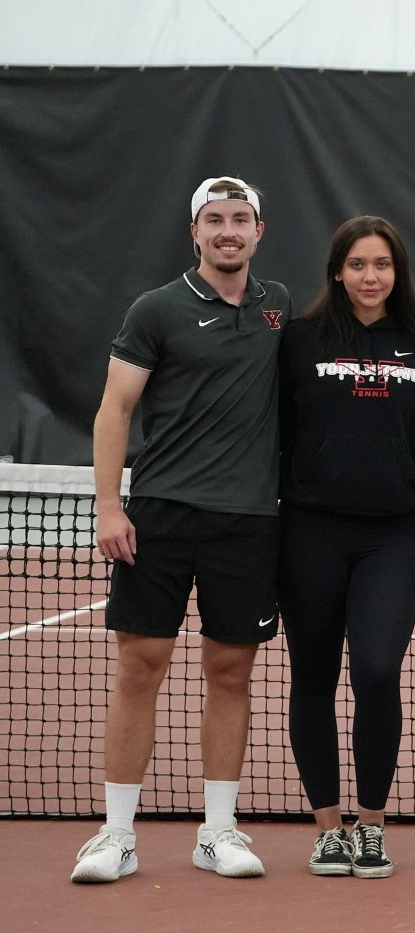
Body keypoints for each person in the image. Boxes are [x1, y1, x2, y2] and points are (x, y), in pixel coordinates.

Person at [73, 177, 290, 884]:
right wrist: (110, 504)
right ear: (194, 233)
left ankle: (218, 832)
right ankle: (116, 836)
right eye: (214, 220)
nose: (228, 231)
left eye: (240, 219)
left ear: (261, 230)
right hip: (160, 516)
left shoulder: (281, 310)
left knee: (231, 673)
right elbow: (115, 409)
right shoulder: (156, 310)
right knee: (140, 668)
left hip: (249, 521)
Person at [278, 215, 415, 879]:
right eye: (358, 264)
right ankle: (328, 827)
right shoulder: (298, 342)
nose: (371, 276)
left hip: (391, 537)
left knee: (378, 670)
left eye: (382, 264)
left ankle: (372, 824)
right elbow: (277, 430)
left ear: (398, 273)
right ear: (336, 271)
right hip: (309, 533)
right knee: (314, 678)